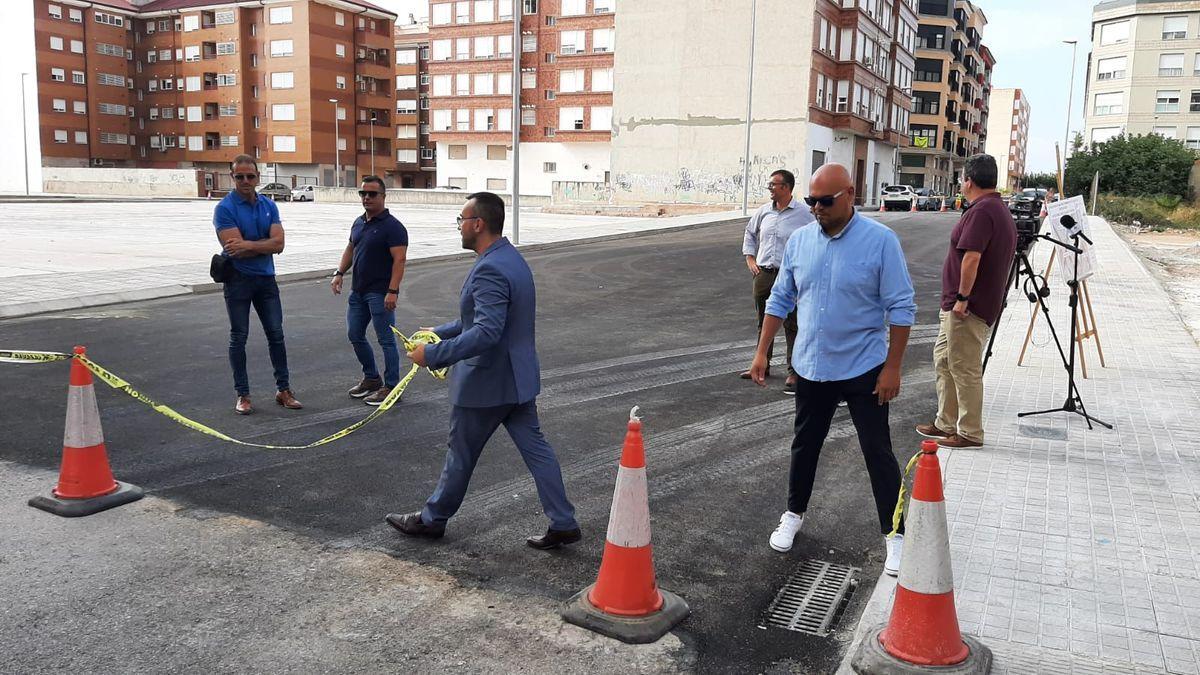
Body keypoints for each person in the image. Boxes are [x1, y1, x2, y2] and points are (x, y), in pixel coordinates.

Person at [747, 163, 916, 576]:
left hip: (863, 367)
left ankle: (894, 534)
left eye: (825, 201)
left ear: (850, 195)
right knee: (805, 445)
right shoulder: (801, 242)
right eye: (811, 201)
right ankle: (793, 514)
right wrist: (762, 352)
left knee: (878, 452)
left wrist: (893, 368)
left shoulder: (881, 242)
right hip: (811, 366)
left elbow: (901, 307)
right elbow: (780, 299)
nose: (817, 208)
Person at [386, 192, 581, 550]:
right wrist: (438, 333)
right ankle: (563, 521)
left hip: (486, 384)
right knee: (537, 451)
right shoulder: (511, 258)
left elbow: (487, 332)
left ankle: (432, 520)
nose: (459, 227)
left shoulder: (490, 268)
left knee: (460, 455)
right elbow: (476, 321)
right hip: (517, 381)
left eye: (461, 220)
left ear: (478, 224)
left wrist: (435, 355)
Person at [917, 154, 1017, 449]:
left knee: (964, 367)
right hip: (959, 306)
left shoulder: (983, 212)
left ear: (969, 181)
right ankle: (945, 422)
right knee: (944, 360)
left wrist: (962, 298)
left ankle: (970, 431)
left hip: (967, 309)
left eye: (962, 179)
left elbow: (972, 258)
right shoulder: (994, 209)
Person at [213, 154, 301, 415]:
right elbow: (234, 250)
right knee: (238, 337)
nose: (245, 181)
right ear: (232, 177)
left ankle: (283, 390)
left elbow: (279, 244)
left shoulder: (269, 206)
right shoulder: (225, 209)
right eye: (239, 176)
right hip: (238, 280)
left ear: (258, 177)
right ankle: (243, 394)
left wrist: (250, 245)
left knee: (276, 334)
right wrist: (264, 246)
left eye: (250, 176)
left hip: (266, 279)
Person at [331, 176, 409, 406]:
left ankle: (392, 386)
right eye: (363, 193)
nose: (367, 198)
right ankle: (372, 378)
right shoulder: (358, 222)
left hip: (380, 292)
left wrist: (393, 291)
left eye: (372, 194)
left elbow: (399, 260)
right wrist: (339, 273)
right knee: (355, 334)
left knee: (386, 339)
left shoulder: (393, 227)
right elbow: (351, 248)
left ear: (383, 196)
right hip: (358, 292)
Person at [740, 169, 813, 395]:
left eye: (773, 184)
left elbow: (816, 237)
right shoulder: (763, 212)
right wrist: (750, 258)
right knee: (764, 321)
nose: (770, 188)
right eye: (769, 185)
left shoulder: (804, 214)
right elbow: (750, 234)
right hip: (765, 274)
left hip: (790, 276)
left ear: (786, 187)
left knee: (793, 324)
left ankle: (794, 371)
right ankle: (763, 363)